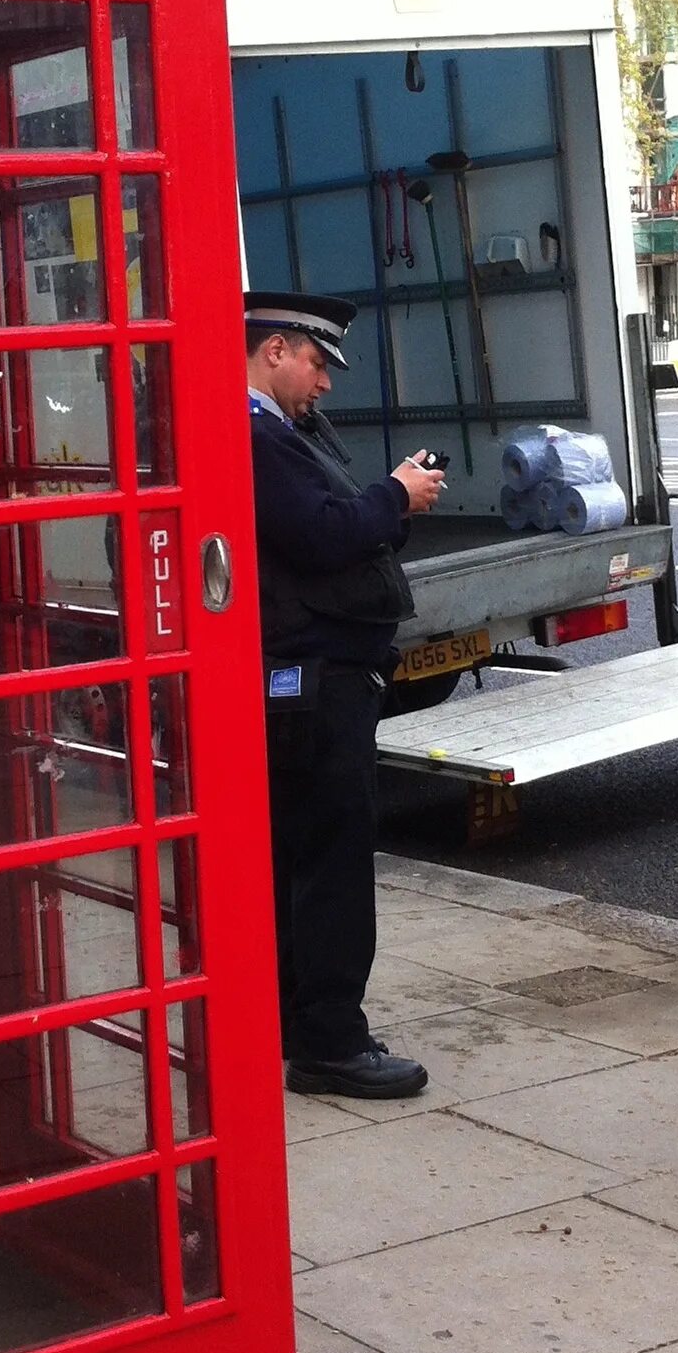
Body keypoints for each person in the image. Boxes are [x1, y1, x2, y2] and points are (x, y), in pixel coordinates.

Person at [246, 290, 446, 1099]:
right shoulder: (255, 436)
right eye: (316, 363)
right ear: (274, 351)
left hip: (321, 682)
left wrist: (386, 506)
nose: (325, 382)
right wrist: (394, 496)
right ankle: (330, 1041)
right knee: (328, 866)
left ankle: (296, 1022)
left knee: (300, 859)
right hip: (314, 688)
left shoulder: (283, 432)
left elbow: (340, 524)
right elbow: (325, 531)